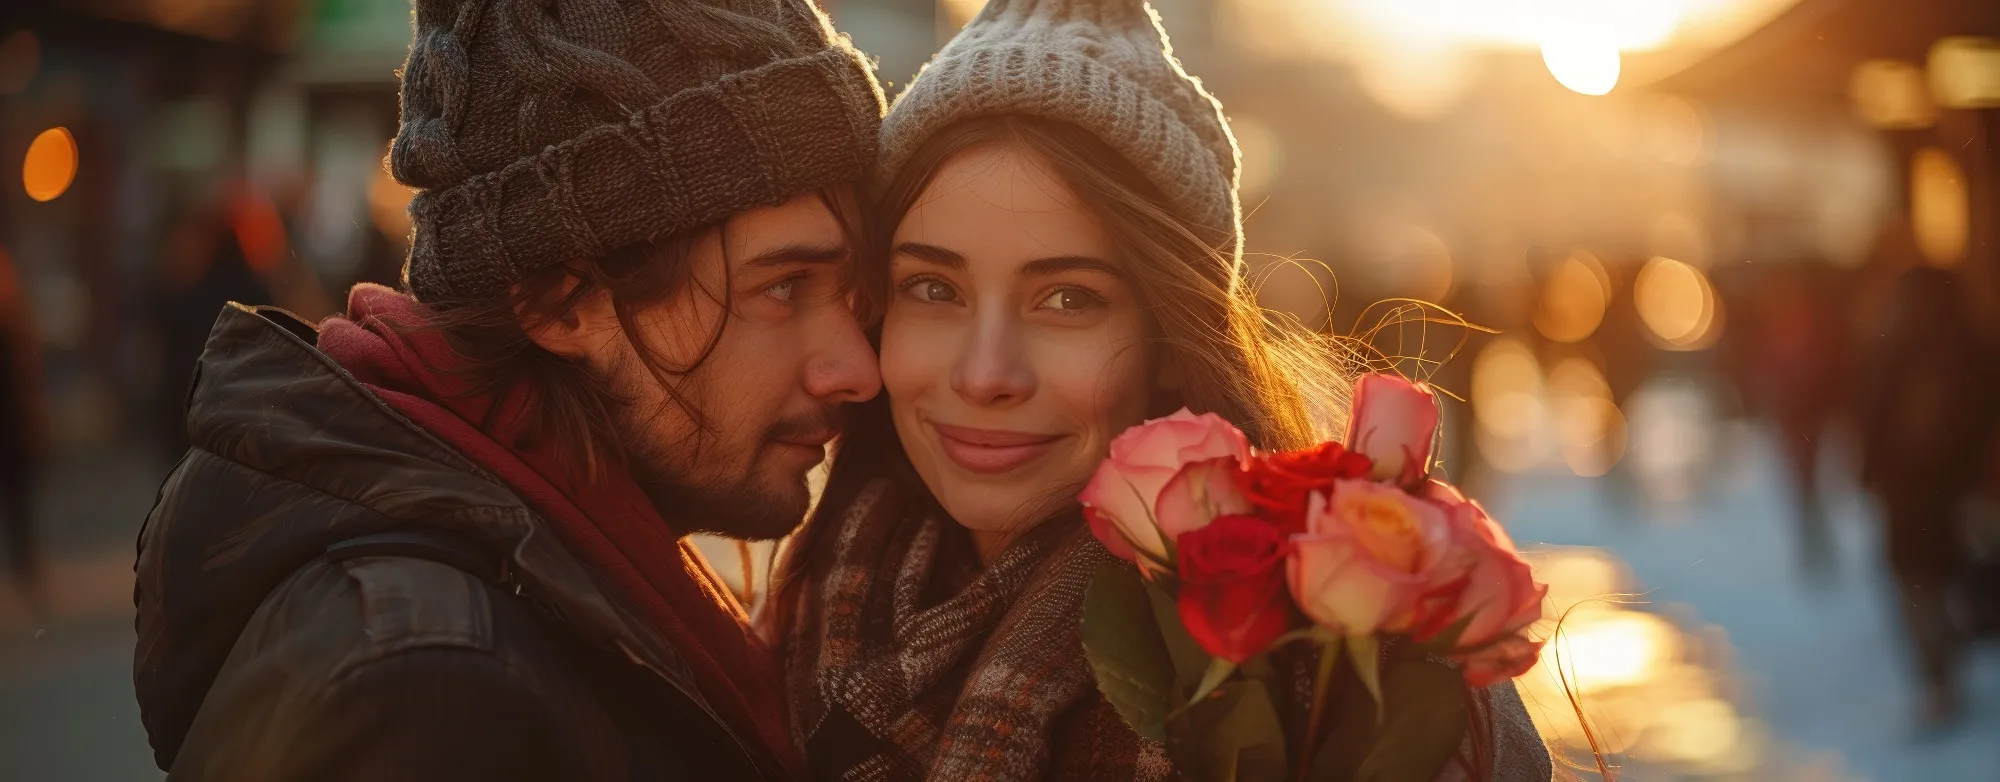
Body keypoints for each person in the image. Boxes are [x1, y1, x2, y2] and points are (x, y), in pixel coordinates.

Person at [768, 1, 1552, 779]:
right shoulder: (806, 614)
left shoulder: (1344, 673)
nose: (984, 374)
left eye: (1069, 299)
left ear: (1175, 340)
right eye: (934, 288)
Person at [131, 0, 886, 779]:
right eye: (785, 287)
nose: (859, 368)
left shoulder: (544, 602)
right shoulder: (430, 696)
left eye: (856, 292)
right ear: (560, 304)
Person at [1857, 264, 2000, 728]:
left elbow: (1875, 422)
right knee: (1937, 587)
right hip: (1940, 497)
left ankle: (1940, 681)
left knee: (1922, 589)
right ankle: (1942, 679)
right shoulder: (1970, 349)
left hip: (1925, 498)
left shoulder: (1903, 350)